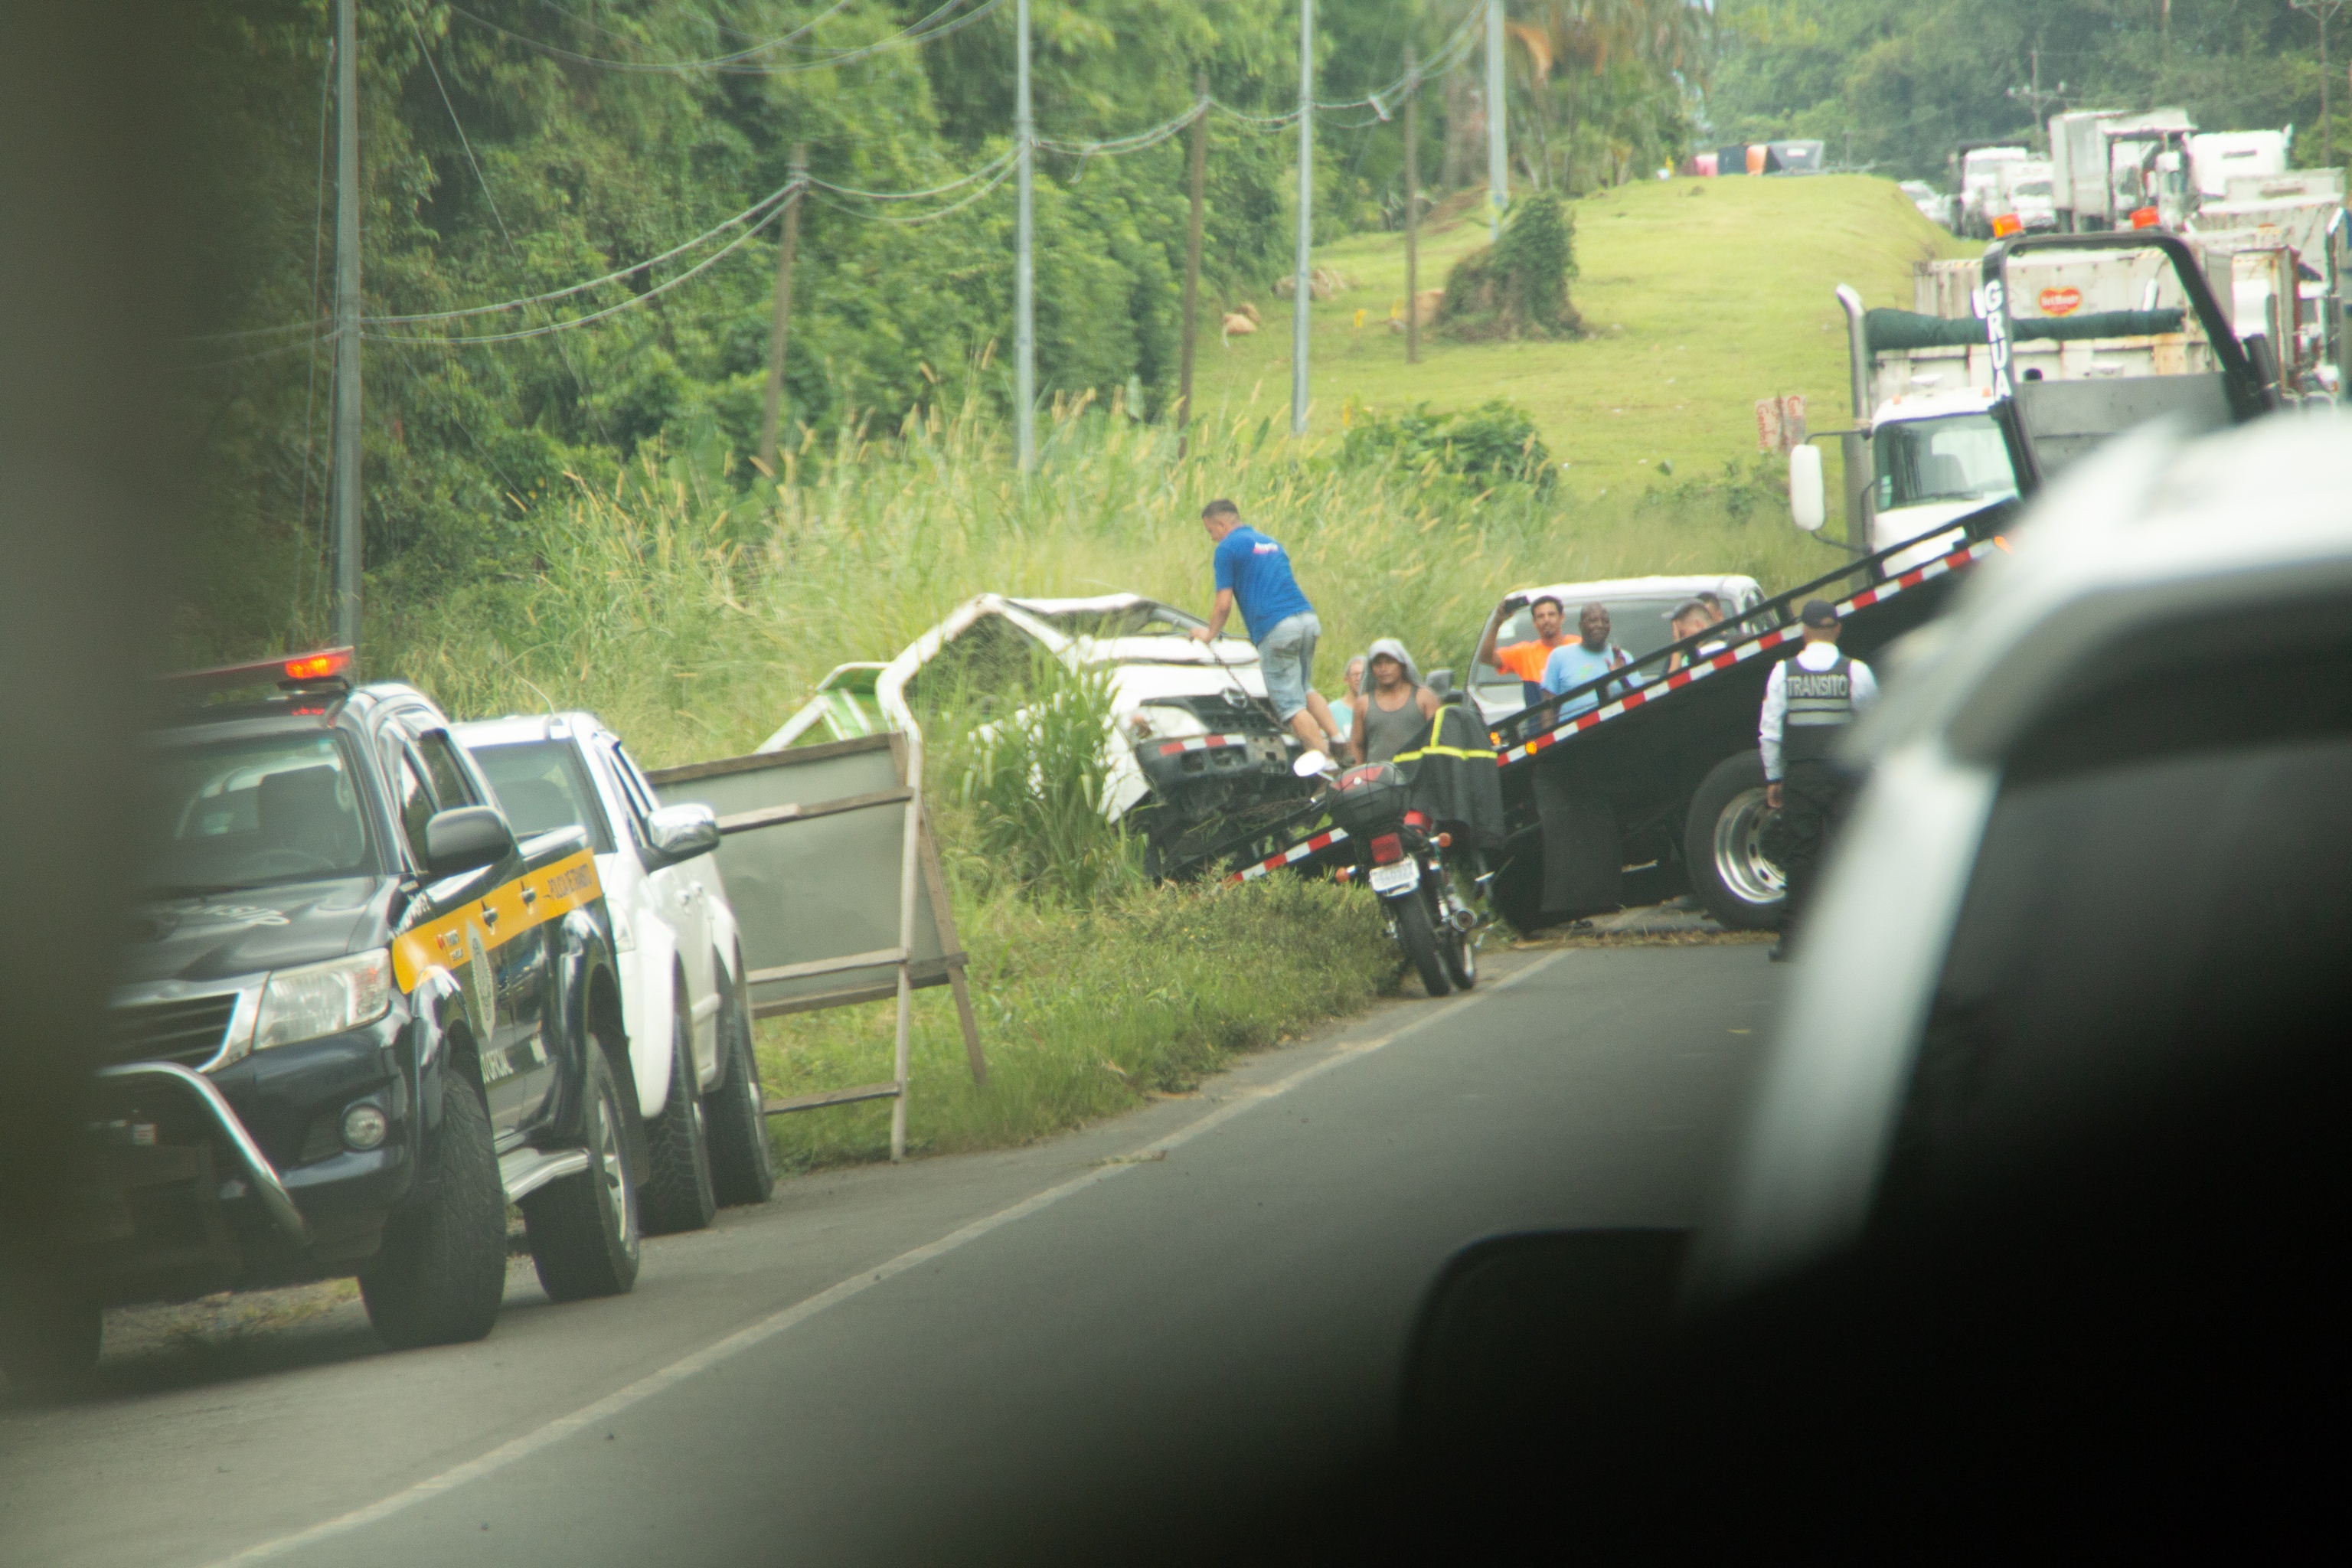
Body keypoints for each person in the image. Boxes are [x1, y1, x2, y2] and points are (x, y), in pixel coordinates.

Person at [1758, 598, 1878, 962]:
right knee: (1851, 854)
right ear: (1837, 629)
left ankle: (1793, 940)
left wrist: (1774, 777)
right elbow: (1874, 727)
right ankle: (1861, 938)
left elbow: (1770, 732)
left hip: (1802, 775)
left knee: (1801, 856)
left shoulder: (1783, 672)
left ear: (1804, 632)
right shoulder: (1856, 671)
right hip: (1844, 773)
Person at [1191, 498, 1342, 756]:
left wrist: (1209, 635)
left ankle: (1325, 763)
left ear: (1222, 524)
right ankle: (1339, 739)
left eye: (1210, 531)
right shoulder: (1271, 543)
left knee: (1291, 706)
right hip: (1306, 619)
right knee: (1304, 687)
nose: (1212, 538)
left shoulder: (1227, 548)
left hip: (1277, 628)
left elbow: (1223, 605)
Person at [1538, 603, 1640, 718]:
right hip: (1574, 729)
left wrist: (1622, 678)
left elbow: (1639, 702)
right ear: (1580, 626)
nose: (1600, 625)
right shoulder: (1559, 656)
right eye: (1593, 621)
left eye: (1605, 621)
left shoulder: (1623, 658)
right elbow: (1548, 708)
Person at [1351, 639, 1442, 765]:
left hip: (1417, 774)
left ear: (1402, 665)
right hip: (1377, 775)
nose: (1383, 668)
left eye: (1389, 662)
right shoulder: (1363, 704)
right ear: (1371, 669)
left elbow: (1439, 740)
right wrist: (1358, 772)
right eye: (1378, 664)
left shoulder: (1424, 697)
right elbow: (1357, 745)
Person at [1477, 595, 1573, 707]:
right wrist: (1497, 623)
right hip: (1540, 718)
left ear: (1562, 617)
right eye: (1540, 616)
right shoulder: (1526, 654)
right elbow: (1486, 658)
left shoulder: (1579, 646)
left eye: (1551, 614)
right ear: (1534, 622)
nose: (1546, 620)